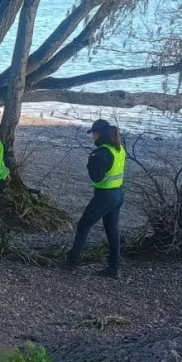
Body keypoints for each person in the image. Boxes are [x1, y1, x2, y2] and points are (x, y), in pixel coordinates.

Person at [64, 119, 125, 279]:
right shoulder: (118, 148)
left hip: (105, 196)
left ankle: (71, 262)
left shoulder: (102, 152)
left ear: (98, 134)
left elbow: (96, 178)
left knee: (84, 225)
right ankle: (114, 267)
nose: (92, 137)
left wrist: (90, 164)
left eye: (93, 134)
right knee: (112, 230)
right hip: (118, 193)